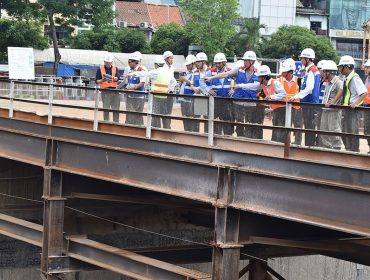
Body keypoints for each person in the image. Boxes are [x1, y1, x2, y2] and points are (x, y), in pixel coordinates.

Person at [205, 51, 260, 139]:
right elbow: (226, 74)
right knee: (239, 127)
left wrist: (239, 86)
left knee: (250, 126)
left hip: (251, 104)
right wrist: (211, 77)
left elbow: (257, 86)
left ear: (252, 62)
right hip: (238, 103)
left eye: (246, 61)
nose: (244, 62)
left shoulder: (258, 73)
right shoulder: (239, 70)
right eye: (244, 60)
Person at [328, 55, 367, 152]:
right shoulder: (346, 78)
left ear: (347, 67)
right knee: (345, 131)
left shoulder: (355, 78)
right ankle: (349, 149)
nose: (340, 69)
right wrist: (334, 100)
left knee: (352, 131)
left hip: (353, 110)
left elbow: (364, 92)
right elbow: (342, 90)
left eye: (341, 67)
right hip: (347, 109)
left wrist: (356, 103)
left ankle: (354, 151)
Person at [291, 48, 321, 147]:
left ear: (308, 59)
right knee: (309, 127)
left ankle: (310, 147)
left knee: (309, 127)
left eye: (302, 58)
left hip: (310, 103)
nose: (301, 60)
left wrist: (296, 96)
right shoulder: (311, 70)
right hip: (309, 103)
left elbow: (309, 88)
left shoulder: (312, 71)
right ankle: (310, 147)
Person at [256, 65, 287, 143]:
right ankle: (274, 142)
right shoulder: (263, 85)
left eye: (259, 77)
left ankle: (279, 144)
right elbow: (252, 86)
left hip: (283, 109)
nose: (258, 78)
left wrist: (271, 97)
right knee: (275, 126)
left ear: (263, 77)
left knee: (280, 128)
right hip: (276, 109)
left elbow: (283, 94)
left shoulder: (276, 83)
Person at [318, 60, 343, 149]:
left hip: (333, 112)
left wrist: (334, 100)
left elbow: (342, 89)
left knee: (334, 131)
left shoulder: (337, 81)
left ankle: (336, 150)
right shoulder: (328, 82)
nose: (322, 73)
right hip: (326, 110)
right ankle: (327, 150)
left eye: (324, 72)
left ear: (329, 72)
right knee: (323, 131)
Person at [209, 53, 234, 136]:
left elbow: (237, 83)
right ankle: (216, 141)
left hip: (228, 102)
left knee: (228, 123)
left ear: (224, 62)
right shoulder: (211, 72)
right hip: (215, 102)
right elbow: (202, 82)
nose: (218, 65)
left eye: (219, 63)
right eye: (216, 63)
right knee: (215, 124)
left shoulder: (231, 71)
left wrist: (233, 89)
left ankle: (228, 139)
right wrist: (208, 90)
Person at [148, 56, 176, 129]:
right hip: (164, 97)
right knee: (164, 115)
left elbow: (145, 75)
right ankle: (166, 131)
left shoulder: (154, 72)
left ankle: (156, 131)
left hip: (155, 97)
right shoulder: (168, 72)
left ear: (156, 64)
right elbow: (174, 82)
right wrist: (169, 90)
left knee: (155, 115)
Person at [279, 58, 303, 145]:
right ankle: (285, 142)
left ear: (290, 72)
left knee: (297, 125)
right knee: (284, 125)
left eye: (285, 71)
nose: (283, 73)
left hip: (296, 107)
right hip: (284, 107)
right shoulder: (280, 80)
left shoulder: (299, 80)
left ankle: (297, 142)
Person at [95, 53, 120, 122]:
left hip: (115, 91)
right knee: (106, 108)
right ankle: (106, 122)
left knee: (116, 108)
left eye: (109, 62)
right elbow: (97, 81)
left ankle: (116, 122)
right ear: (104, 62)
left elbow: (118, 78)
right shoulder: (100, 69)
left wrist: (112, 78)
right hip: (105, 92)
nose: (107, 64)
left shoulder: (115, 69)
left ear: (111, 62)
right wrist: (103, 80)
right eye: (106, 62)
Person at [125, 52, 147, 126]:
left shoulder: (141, 70)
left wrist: (133, 87)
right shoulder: (131, 70)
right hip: (130, 96)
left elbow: (142, 83)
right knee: (130, 115)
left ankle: (139, 131)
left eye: (129, 62)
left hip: (139, 97)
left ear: (135, 62)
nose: (128, 64)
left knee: (138, 115)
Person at [193, 52, 212, 133]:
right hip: (198, 98)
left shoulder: (210, 72)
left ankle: (207, 135)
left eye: (198, 62)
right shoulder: (195, 72)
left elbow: (212, 85)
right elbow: (192, 84)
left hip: (208, 99)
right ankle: (195, 135)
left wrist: (205, 89)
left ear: (204, 62)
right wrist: (195, 89)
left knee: (207, 119)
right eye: (196, 62)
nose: (196, 64)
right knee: (196, 118)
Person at [179, 54, 199, 132]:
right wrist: (184, 79)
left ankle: (193, 135)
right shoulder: (187, 72)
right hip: (184, 100)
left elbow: (193, 84)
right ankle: (186, 133)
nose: (187, 66)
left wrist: (186, 80)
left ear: (193, 64)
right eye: (186, 65)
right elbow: (180, 78)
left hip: (191, 100)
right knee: (185, 118)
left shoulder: (196, 73)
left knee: (192, 119)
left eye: (188, 65)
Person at [163, 51, 176, 129]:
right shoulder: (163, 68)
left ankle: (168, 127)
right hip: (164, 92)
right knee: (164, 111)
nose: (172, 60)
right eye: (170, 58)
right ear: (166, 59)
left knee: (169, 111)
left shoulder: (172, 68)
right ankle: (165, 127)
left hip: (170, 92)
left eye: (172, 58)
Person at [363, 59, 370, 154]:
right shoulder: (367, 78)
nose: (365, 69)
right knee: (367, 130)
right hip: (366, 106)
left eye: (368, 67)